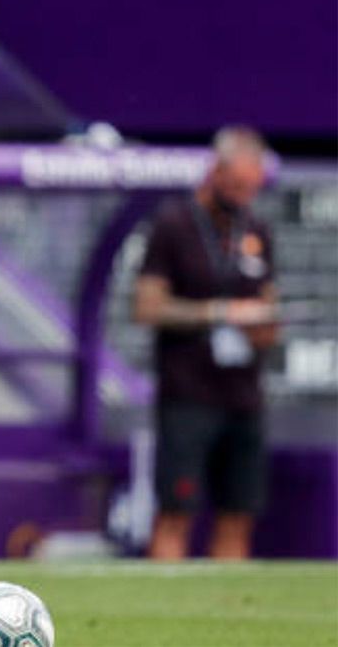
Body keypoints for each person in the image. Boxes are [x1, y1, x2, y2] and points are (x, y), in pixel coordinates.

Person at [133, 125, 278, 561]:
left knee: (238, 513)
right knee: (176, 510)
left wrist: (264, 325)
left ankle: (231, 613)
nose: (241, 197)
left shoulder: (256, 229)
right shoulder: (173, 224)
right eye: (235, 186)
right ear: (215, 172)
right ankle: (162, 610)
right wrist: (217, 313)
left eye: (250, 189)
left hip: (244, 397)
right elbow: (147, 308)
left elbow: (270, 308)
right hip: (188, 397)